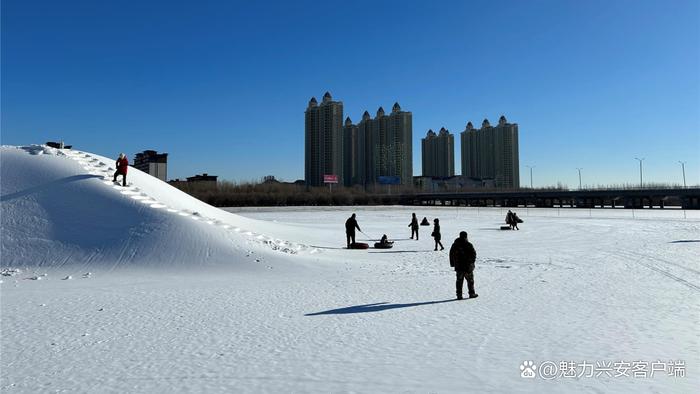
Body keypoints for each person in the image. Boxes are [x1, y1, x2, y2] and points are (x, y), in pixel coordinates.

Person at [449, 231, 478, 300]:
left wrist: (453, 264)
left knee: (459, 281)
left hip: (459, 266)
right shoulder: (468, 244)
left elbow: (451, 254)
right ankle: (471, 293)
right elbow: (474, 254)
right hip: (467, 267)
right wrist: (472, 263)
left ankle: (459, 295)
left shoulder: (455, 244)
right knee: (470, 281)